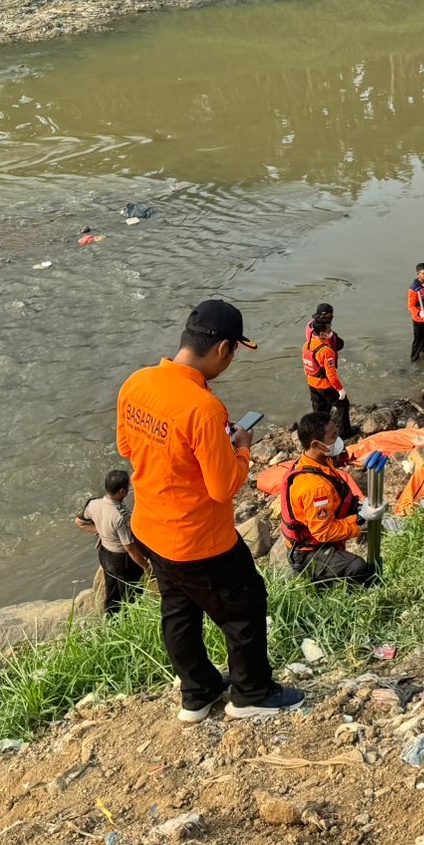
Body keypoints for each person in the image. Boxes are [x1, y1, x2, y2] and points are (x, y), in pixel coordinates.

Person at [116, 299, 301, 721]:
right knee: (245, 607)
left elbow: (127, 448)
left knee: (178, 611)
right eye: (234, 351)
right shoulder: (203, 408)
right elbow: (222, 488)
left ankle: (197, 694)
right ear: (222, 349)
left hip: (152, 528)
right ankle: (251, 694)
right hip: (199, 538)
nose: (231, 360)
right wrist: (240, 449)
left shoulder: (137, 382)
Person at [280, 411, 384, 586]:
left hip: (315, 535)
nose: (338, 440)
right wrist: (360, 518)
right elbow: (323, 533)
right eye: (333, 436)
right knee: (359, 568)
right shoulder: (315, 487)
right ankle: (336, 587)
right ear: (315, 444)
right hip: (307, 553)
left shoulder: (316, 460)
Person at [74, 468, 149, 616]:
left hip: (105, 555)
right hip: (123, 561)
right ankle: (130, 620)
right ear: (122, 491)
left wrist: (102, 531)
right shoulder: (121, 516)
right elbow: (130, 548)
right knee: (132, 595)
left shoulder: (93, 504)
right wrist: (146, 567)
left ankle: (110, 619)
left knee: (112, 593)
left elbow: (80, 522)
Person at [304, 314, 352, 438]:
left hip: (312, 383)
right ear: (322, 334)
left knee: (319, 411)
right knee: (343, 405)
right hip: (325, 385)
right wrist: (340, 389)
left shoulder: (307, 345)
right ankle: (345, 432)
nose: (331, 332)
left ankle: (318, 434)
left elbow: (306, 366)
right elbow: (331, 374)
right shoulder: (326, 351)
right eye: (328, 330)